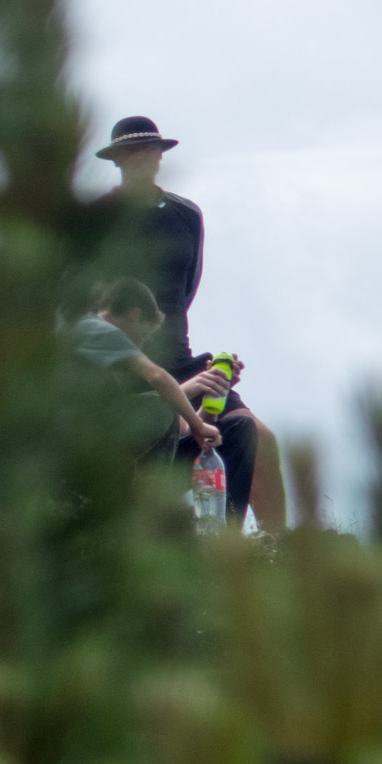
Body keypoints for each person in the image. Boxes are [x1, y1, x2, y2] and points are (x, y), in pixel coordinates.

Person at [89, 116, 287, 531]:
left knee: (260, 438)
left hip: (177, 358)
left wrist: (211, 365)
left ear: (160, 154)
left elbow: (184, 291)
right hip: (122, 363)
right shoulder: (97, 219)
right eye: (131, 150)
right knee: (196, 438)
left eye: (149, 148)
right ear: (117, 160)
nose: (141, 157)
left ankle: (279, 552)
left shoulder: (186, 216)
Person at [72, 278, 222, 459]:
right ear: (134, 315)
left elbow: (182, 429)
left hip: (84, 430)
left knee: (164, 411)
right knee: (162, 409)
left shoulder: (99, 349)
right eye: (143, 336)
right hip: (75, 430)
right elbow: (158, 377)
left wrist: (209, 402)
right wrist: (199, 425)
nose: (139, 345)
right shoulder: (98, 328)